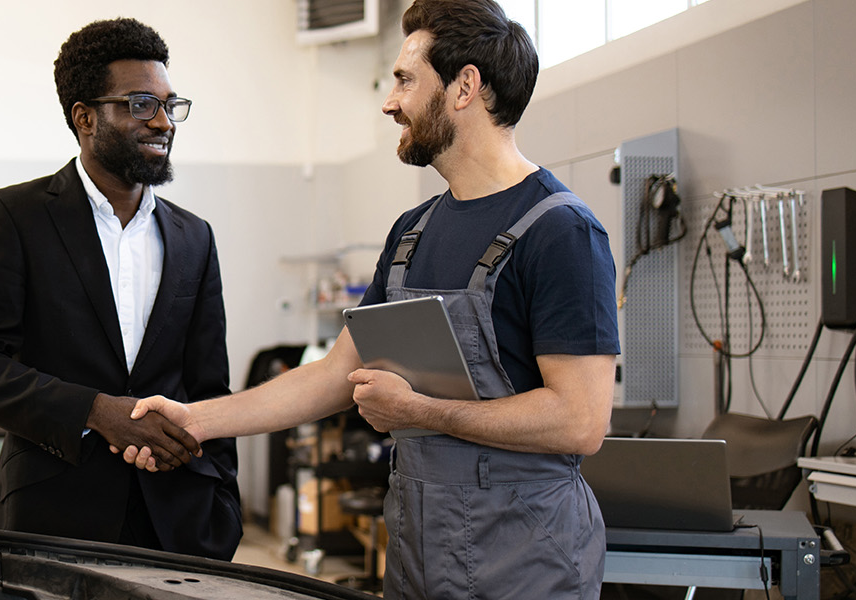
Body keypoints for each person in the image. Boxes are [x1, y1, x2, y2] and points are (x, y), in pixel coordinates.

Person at [126, 0, 618, 595]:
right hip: (418, 550)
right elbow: (335, 373)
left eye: (405, 80)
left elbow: (580, 421)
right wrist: (194, 420)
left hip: (526, 559)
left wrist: (420, 413)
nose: (390, 102)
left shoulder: (561, 231)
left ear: (465, 87)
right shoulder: (413, 232)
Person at [0, 18, 242, 560]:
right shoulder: (17, 216)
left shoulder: (194, 237)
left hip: (178, 522)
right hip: (51, 519)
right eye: (142, 104)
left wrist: (222, 502)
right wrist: (95, 410)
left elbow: (209, 386)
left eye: (171, 106)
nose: (164, 122)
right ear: (85, 117)